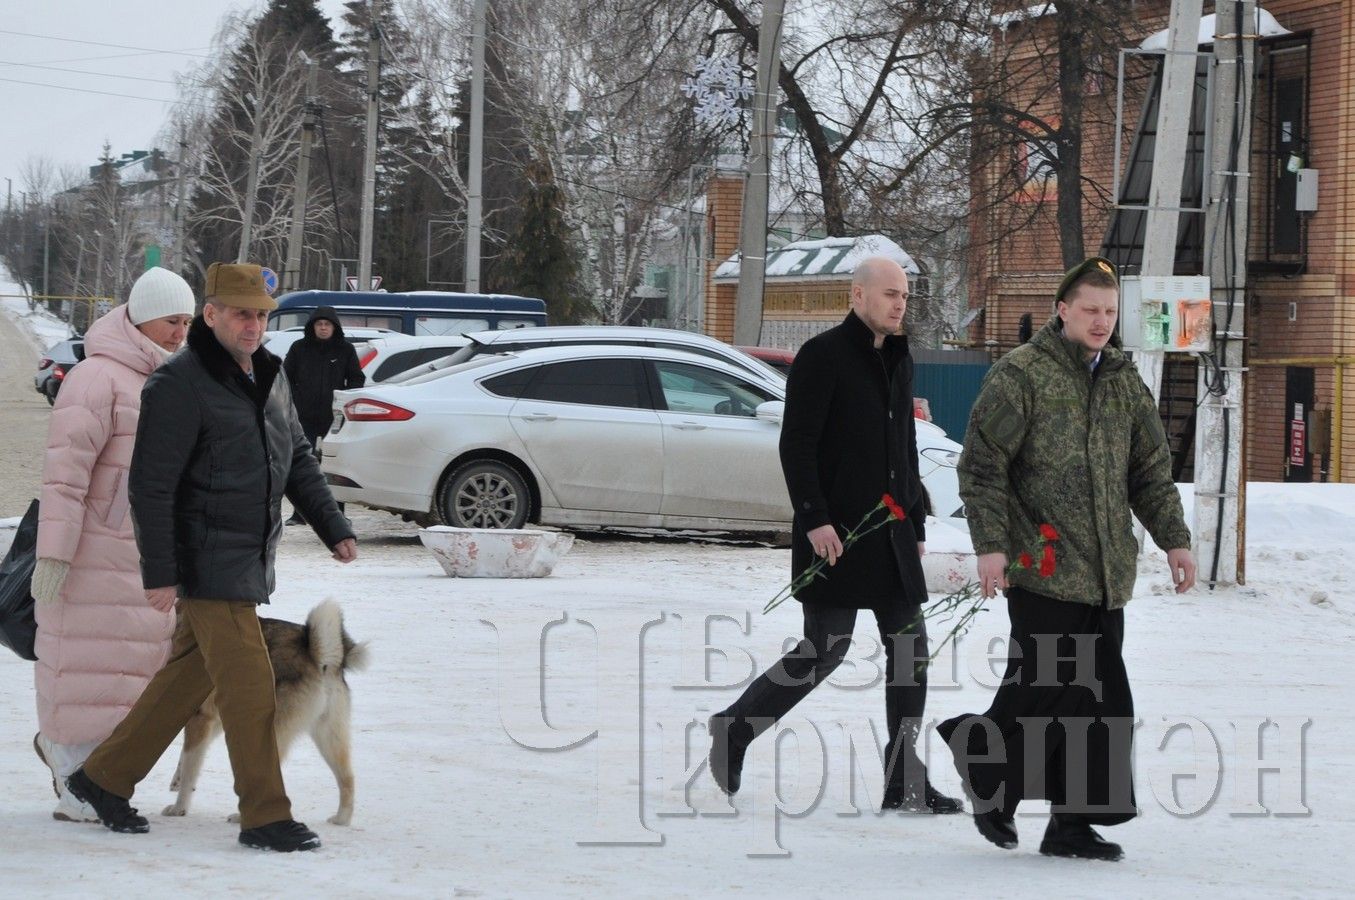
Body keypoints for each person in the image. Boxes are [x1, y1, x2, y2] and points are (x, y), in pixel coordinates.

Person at [64, 262, 358, 853]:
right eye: (242, 314)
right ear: (213, 314)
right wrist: (163, 572)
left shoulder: (269, 376)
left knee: (184, 678)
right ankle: (265, 815)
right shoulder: (180, 381)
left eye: (261, 315)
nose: (253, 326)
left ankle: (101, 779)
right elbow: (151, 485)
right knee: (250, 685)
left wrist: (333, 525)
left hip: (248, 555)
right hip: (204, 560)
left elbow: (296, 455)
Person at [940, 257, 1197, 862]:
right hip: (1045, 565)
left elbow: (1150, 473)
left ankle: (1070, 824)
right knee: (1044, 688)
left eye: (1109, 311)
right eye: (1090, 309)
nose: (1101, 321)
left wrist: (1174, 538)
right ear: (1063, 310)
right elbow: (982, 468)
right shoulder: (1021, 376)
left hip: (1105, 575)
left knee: (1099, 702)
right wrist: (992, 546)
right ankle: (985, 768)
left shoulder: (1124, 381)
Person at [707, 256, 963, 814]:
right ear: (859, 295)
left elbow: (903, 449)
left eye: (905, 295)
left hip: (890, 534)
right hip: (836, 535)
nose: (899, 304)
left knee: (910, 652)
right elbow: (796, 445)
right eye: (890, 294)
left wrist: (915, 520)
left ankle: (903, 781)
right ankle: (734, 727)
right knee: (825, 650)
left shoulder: (898, 358)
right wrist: (815, 517)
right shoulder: (822, 357)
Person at [31, 267, 196, 822]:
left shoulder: (169, 379)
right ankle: (74, 775)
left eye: (187, 322)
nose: (180, 333)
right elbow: (64, 477)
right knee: (85, 671)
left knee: (130, 674)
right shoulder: (96, 378)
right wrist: (53, 555)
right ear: (141, 316)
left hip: (146, 557)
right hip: (92, 557)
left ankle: (95, 776)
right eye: (171, 321)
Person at [281, 306, 364, 524]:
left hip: (334, 418)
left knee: (334, 466)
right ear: (313, 327)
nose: (324, 328)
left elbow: (357, 378)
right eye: (319, 324)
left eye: (327, 324)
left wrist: (344, 400)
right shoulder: (299, 348)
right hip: (302, 417)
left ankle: (337, 513)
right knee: (302, 464)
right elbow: (285, 378)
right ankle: (300, 513)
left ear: (334, 327)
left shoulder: (345, 349)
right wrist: (293, 401)